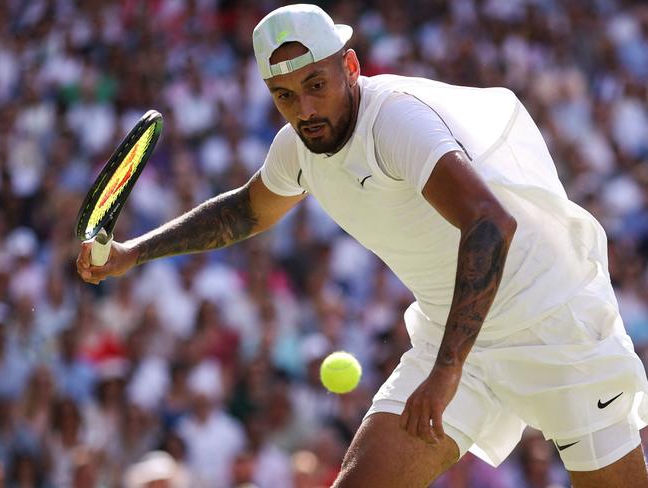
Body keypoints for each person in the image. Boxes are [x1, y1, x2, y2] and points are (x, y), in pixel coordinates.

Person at [76, 4, 648, 487]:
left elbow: (489, 225)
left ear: (350, 66)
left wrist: (446, 371)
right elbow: (247, 209)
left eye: (316, 86)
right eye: (284, 96)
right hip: (457, 337)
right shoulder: (297, 148)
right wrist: (133, 252)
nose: (304, 110)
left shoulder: (396, 121)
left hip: (552, 322)